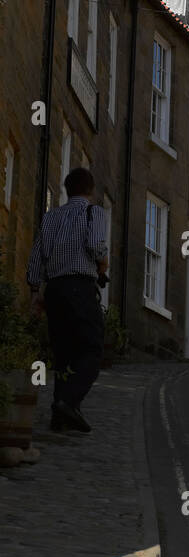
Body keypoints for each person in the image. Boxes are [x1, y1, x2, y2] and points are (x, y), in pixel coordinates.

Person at [27, 168, 108, 434]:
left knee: (63, 353)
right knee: (92, 348)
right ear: (90, 190)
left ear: (67, 190)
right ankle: (68, 402)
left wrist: (35, 293)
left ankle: (59, 417)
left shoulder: (52, 216)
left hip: (54, 290)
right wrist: (103, 265)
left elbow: (37, 255)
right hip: (79, 288)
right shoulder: (92, 212)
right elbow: (96, 244)